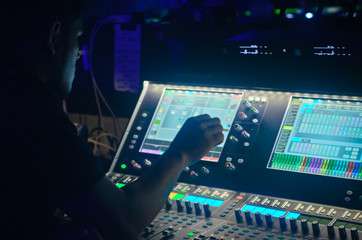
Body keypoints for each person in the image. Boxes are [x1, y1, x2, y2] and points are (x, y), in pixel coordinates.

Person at [1, 1, 224, 239]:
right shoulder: (31, 108)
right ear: (54, 37)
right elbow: (125, 221)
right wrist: (182, 154)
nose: (78, 55)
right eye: (78, 39)